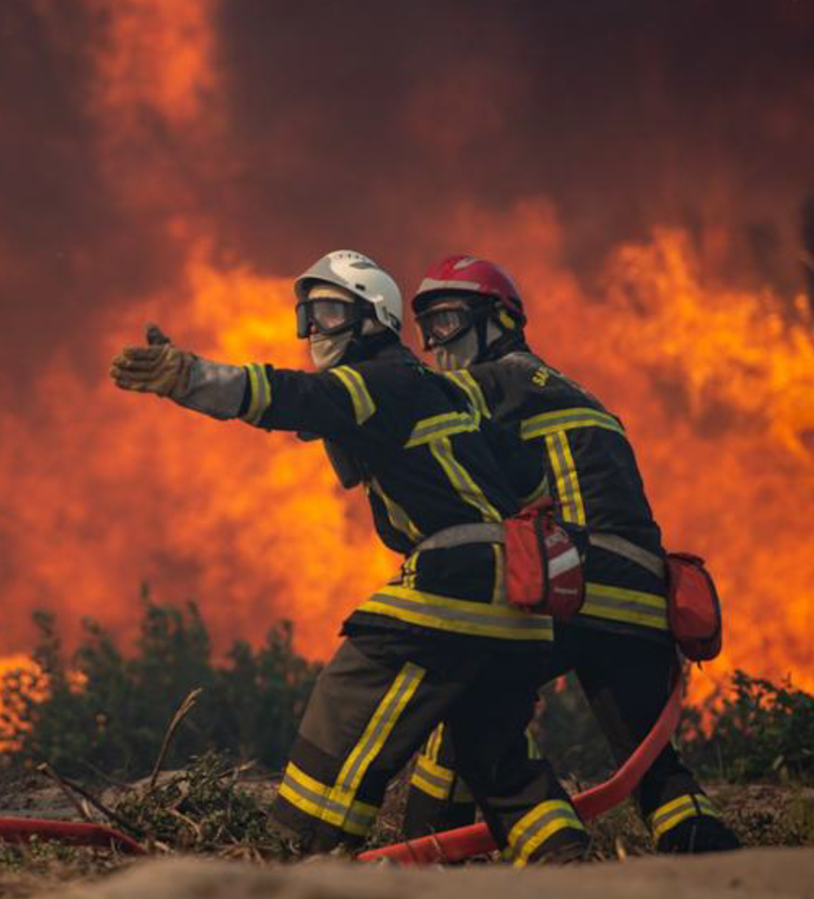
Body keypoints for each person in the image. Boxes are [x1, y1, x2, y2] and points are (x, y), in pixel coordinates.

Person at [110, 250, 588, 863]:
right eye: (308, 315)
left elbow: (290, 396)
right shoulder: (446, 390)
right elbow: (528, 481)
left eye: (332, 312)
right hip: (521, 601)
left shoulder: (378, 378)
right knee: (492, 751)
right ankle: (566, 861)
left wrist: (188, 377)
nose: (315, 329)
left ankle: (302, 853)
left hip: (459, 580)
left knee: (346, 698)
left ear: (374, 319)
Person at [400, 254, 741, 853]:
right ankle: (701, 845)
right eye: (427, 328)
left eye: (448, 321)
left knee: (470, 700)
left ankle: (520, 843)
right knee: (648, 756)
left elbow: (412, 403)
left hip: (574, 583)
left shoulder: (496, 381)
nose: (437, 343)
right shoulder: (570, 389)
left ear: (499, 321)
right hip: (642, 596)